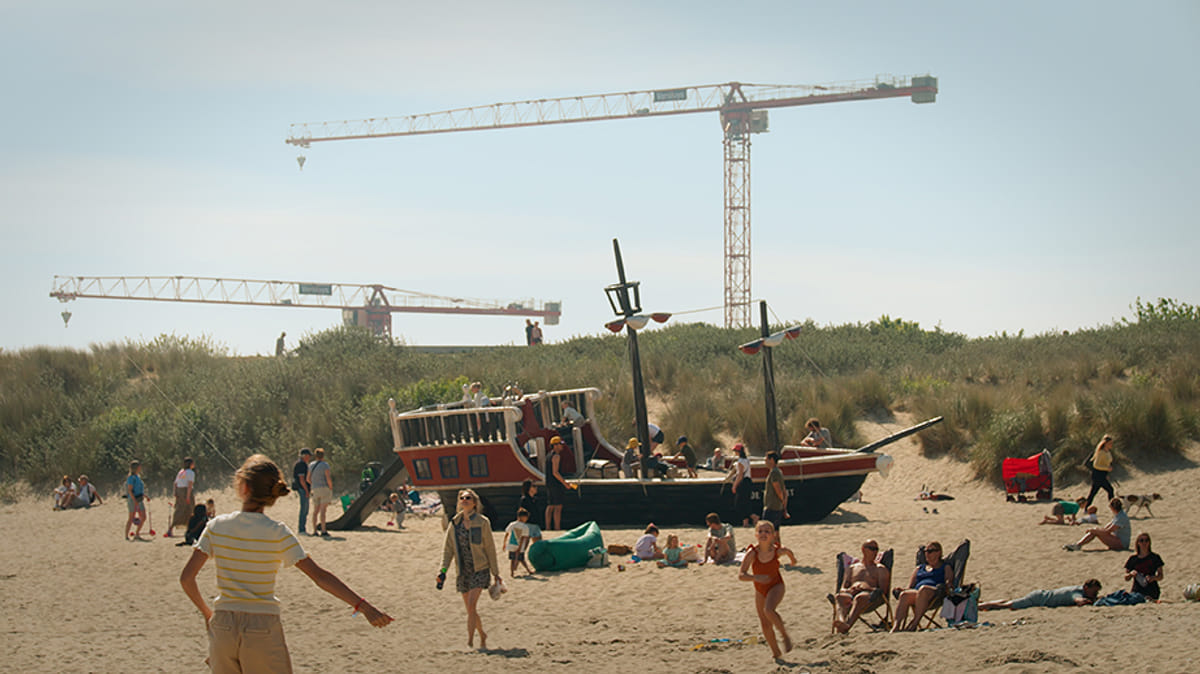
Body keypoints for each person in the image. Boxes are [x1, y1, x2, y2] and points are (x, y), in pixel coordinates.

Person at [180, 454, 392, 672]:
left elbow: (187, 579)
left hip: (223, 626)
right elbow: (319, 576)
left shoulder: (216, 526)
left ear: (243, 487)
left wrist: (208, 615)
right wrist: (364, 607)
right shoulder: (277, 532)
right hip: (261, 626)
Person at [440, 488, 502, 650]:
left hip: (480, 569)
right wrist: (443, 571)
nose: (465, 500)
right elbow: (448, 549)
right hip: (463, 571)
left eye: (468, 498)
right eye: (462, 498)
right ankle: (482, 634)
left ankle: (469, 642)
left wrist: (496, 573)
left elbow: (490, 548)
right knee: (470, 609)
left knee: (472, 605)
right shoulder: (454, 523)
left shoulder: (482, 522)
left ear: (474, 503)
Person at [738, 520, 796, 660]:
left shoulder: (777, 551)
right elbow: (741, 575)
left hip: (776, 585)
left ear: (773, 536)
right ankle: (776, 652)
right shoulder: (752, 553)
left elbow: (788, 552)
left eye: (767, 532)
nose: (763, 534)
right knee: (765, 622)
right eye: (761, 531)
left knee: (769, 610)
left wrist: (793, 560)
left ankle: (784, 635)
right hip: (760, 589)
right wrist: (756, 577)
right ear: (756, 535)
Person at [892, 540, 954, 632]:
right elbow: (911, 586)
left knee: (923, 589)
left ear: (938, 552)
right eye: (925, 551)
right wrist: (903, 590)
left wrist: (948, 585)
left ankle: (915, 623)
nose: (927, 554)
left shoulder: (945, 567)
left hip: (935, 593)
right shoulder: (920, 568)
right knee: (904, 595)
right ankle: (896, 626)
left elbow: (949, 582)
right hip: (918, 593)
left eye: (930, 551)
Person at [833, 539, 890, 634]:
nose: (875, 552)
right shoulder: (852, 568)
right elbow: (843, 587)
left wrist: (867, 588)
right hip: (851, 596)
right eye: (872, 549)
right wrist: (849, 590)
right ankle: (842, 622)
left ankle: (847, 626)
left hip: (871, 598)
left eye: (876, 549)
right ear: (863, 549)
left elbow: (883, 592)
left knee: (860, 597)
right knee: (839, 597)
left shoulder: (880, 569)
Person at [980, 579, 1102, 610]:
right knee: (1007, 606)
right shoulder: (1077, 593)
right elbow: (1079, 601)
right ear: (1086, 588)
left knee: (1011, 602)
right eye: (1094, 591)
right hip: (1039, 599)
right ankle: (982, 606)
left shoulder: (1078, 589)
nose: (1095, 594)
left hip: (1040, 595)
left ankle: (984, 603)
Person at [1064, 497, 1130, 551]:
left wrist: (1094, 530)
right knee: (1095, 531)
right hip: (1117, 540)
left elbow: (1108, 531)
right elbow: (1106, 528)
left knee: (1095, 531)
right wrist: (1096, 530)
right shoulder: (1118, 515)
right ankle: (1078, 545)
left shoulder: (1121, 517)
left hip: (1122, 544)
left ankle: (1078, 545)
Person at [1124, 533, 1165, 600]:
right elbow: (1126, 577)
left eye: (1146, 540)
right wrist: (1131, 574)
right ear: (1138, 543)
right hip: (1137, 590)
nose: (1144, 543)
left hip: (1152, 590)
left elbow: (1161, 576)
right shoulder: (1133, 559)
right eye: (1141, 540)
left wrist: (1153, 578)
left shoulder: (1155, 557)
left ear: (1149, 542)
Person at [761, 451, 789, 541]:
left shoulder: (774, 473)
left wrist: (782, 500)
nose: (765, 461)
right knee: (776, 531)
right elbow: (784, 489)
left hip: (772, 507)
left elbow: (778, 489)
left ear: (772, 460)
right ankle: (777, 551)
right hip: (777, 507)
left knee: (766, 531)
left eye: (766, 459)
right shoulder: (778, 471)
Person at [166, 457, 196, 538]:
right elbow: (190, 485)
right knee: (191, 510)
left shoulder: (181, 472)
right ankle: (190, 528)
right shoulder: (190, 472)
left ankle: (173, 528)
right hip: (185, 491)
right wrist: (188, 497)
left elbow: (175, 483)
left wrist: (175, 492)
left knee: (179, 509)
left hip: (179, 491)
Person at [545, 436, 570, 531]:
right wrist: (565, 483)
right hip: (555, 484)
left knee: (550, 505)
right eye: (560, 444)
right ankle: (557, 527)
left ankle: (548, 527)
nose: (562, 446)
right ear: (555, 445)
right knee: (558, 506)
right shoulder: (556, 456)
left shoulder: (548, 455)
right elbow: (555, 472)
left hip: (549, 483)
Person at [307, 448, 333, 537]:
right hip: (324, 488)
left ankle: (314, 530)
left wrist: (313, 484)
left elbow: (308, 479)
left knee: (315, 511)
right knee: (323, 511)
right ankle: (323, 530)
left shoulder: (311, 465)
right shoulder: (325, 465)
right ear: (323, 456)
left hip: (315, 488)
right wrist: (330, 487)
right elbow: (328, 478)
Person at [1084, 434, 1115, 509]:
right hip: (1098, 475)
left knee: (1093, 492)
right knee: (1110, 490)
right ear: (1105, 443)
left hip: (1102, 475)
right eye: (1110, 443)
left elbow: (1106, 463)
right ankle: (1114, 507)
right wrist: (1107, 469)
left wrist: (1107, 472)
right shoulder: (1101, 452)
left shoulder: (1108, 452)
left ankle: (1086, 507)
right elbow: (1096, 465)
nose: (1111, 445)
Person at [503, 508, 535, 577]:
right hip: (519, 546)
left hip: (511, 544)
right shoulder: (525, 527)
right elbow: (523, 538)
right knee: (521, 559)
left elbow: (507, 533)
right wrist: (520, 547)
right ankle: (528, 570)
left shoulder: (512, 524)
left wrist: (504, 543)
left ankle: (512, 573)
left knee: (512, 559)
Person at [729, 443, 755, 527]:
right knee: (745, 502)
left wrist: (734, 486)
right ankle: (746, 521)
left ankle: (752, 517)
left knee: (739, 503)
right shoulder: (746, 460)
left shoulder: (740, 462)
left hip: (743, 483)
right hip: (748, 482)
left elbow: (740, 475)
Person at [124, 461, 148, 539]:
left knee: (143, 517)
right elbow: (130, 490)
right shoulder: (131, 478)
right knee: (131, 517)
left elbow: (139, 489)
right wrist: (134, 501)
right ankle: (126, 535)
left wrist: (145, 496)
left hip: (139, 498)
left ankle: (137, 533)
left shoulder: (138, 477)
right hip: (133, 500)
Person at [292, 448, 312, 535]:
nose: (309, 458)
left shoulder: (302, 464)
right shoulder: (301, 465)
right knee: (304, 509)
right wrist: (306, 491)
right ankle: (301, 529)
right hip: (302, 489)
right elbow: (302, 480)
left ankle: (302, 528)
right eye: (308, 456)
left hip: (303, 489)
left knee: (305, 509)